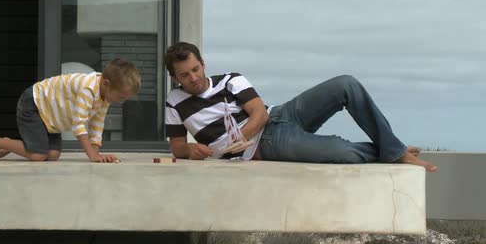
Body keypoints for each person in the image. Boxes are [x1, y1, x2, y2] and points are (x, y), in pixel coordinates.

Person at [164, 42, 437, 172]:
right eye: (185, 75)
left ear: (203, 63)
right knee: (340, 150)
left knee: (346, 84)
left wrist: (241, 137)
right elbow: (177, 147)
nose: (193, 78)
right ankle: (393, 150)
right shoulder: (174, 102)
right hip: (270, 144)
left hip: (280, 115)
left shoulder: (230, 80)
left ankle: (395, 151)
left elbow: (259, 113)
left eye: (195, 69)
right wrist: (191, 149)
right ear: (175, 78)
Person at [0, 58, 141, 163]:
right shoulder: (88, 89)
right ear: (106, 83)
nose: (122, 102)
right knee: (38, 156)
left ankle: (11, 145)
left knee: (53, 155)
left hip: (52, 119)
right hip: (35, 104)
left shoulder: (105, 96)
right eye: (121, 97)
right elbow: (79, 125)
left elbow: (97, 126)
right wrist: (92, 154)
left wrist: (97, 156)